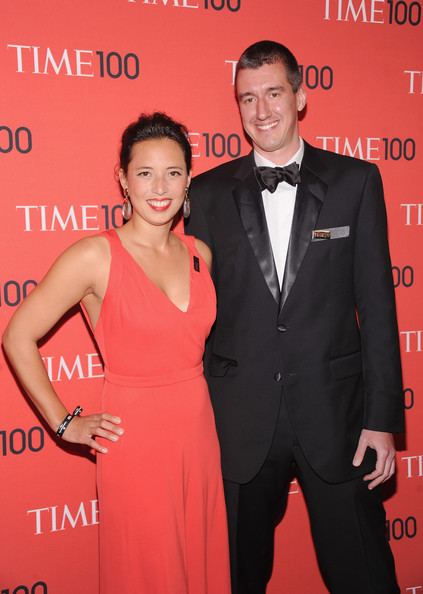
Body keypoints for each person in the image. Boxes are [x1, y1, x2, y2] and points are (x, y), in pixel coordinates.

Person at [186, 40, 404, 594]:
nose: (262, 111)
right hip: (238, 422)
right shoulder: (206, 194)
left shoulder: (356, 182)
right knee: (235, 578)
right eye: (248, 98)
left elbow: (378, 306)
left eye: (274, 93)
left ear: (301, 95)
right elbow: (188, 311)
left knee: (364, 575)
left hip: (336, 419)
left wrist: (381, 419)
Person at [3, 112, 231, 594]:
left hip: (199, 435)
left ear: (189, 178)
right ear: (122, 179)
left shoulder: (199, 254)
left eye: (173, 172)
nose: (159, 186)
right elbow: (16, 335)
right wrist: (65, 423)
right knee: (149, 574)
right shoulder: (95, 255)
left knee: (200, 566)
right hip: (137, 444)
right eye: (144, 173)